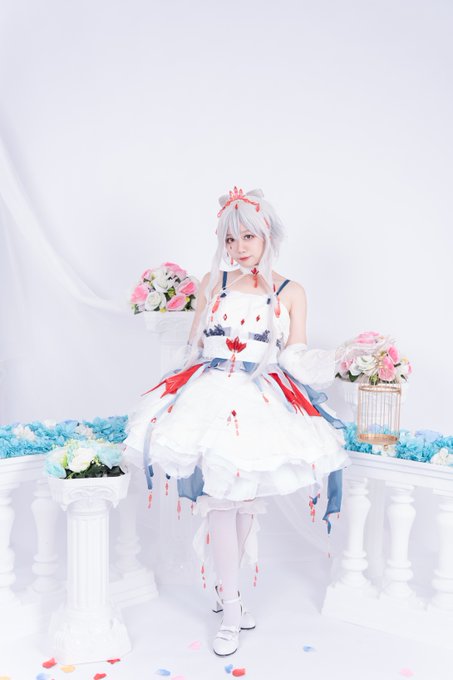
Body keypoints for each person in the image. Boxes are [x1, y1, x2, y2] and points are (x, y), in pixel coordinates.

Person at [124, 187, 352, 656]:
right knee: (222, 502)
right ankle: (231, 607)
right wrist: (170, 394)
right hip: (211, 395)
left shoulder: (290, 292)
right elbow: (194, 346)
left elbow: (295, 355)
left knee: (243, 503)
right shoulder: (215, 281)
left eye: (248, 236)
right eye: (230, 239)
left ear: (268, 236)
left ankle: (226, 588)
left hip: (259, 400)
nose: (239, 247)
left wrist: (339, 359)